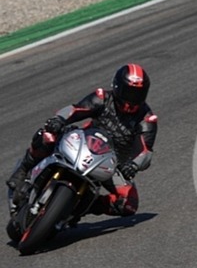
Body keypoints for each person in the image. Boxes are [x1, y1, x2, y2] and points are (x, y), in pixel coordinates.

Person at [6, 63, 158, 216]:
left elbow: (145, 152)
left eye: (138, 94)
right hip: (82, 143)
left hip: (110, 165)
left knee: (128, 204)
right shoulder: (102, 98)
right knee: (47, 135)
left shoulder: (146, 119)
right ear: (117, 87)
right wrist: (59, 119)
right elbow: (76, 109)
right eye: (129, 93)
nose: (132, 99)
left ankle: (84, 204)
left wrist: (133, 165)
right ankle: (23, 169)